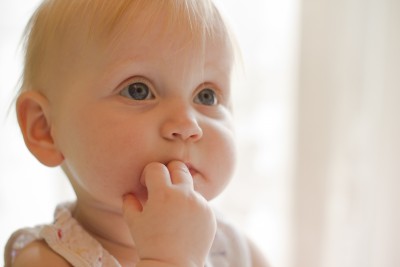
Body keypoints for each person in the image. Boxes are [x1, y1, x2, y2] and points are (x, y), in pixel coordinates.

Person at [4, 0, 269, 266]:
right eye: (138, 90)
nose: (187, 125)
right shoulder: (45, 259)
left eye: (207, 96)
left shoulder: (230, 248)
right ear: (45, 128)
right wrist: (170, 259)